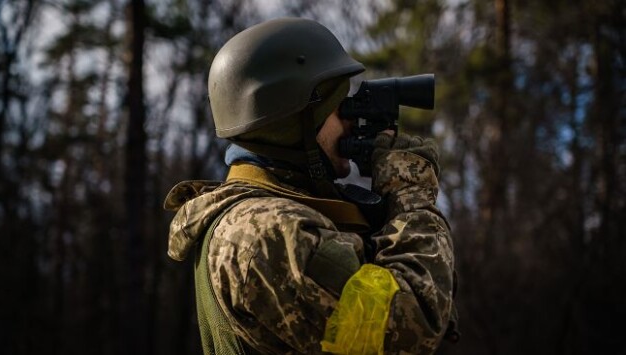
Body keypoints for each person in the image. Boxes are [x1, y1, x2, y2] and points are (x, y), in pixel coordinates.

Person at [164, 17, 458, 354]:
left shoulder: (262, 220)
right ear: (293, 121)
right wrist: (411, 192)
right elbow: (410, 326)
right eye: (338, 107)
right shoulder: (262, 234)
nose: (350, 120)